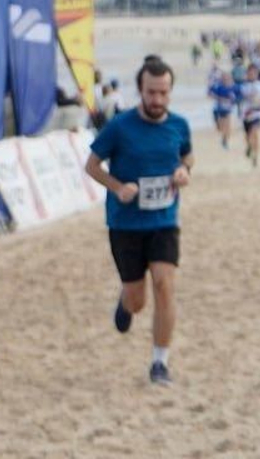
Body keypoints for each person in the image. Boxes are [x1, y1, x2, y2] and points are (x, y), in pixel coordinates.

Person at [83, 56, 194, 386]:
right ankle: (125, 301)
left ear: (170, 91)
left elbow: (187, 155)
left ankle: (159, 363)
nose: (157, 100)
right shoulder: (119, 127)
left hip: (164, 221)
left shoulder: (179, 125)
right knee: (138, 299)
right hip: (125, 225)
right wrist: (118, 188)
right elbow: (91, 166)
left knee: (164, 284)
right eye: (151, 93)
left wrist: (184, 171)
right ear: (140, 90)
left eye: (163, 93)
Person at [238, 64, 260, 166]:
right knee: (248, 136)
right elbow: (238, 100)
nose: (251, 75)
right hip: (246, 114)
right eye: (250, 73)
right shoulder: (242, 86)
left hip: (258, 113)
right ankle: (249, 146)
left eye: (253, 73)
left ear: (256, 74)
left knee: (255, 133)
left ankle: (255, 156)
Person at [208, 70, 238, 150]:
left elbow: (238, 96)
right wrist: (218, 98)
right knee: (220, 128)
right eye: (224, 77)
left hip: (227, 109)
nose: (225, 79)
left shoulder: (233, 87)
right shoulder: (218, 86)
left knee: (228, 126)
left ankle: (225, 141)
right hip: (218, 110)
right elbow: (210, 93)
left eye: (227, 77)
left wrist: (234, 100)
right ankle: (223, 137)